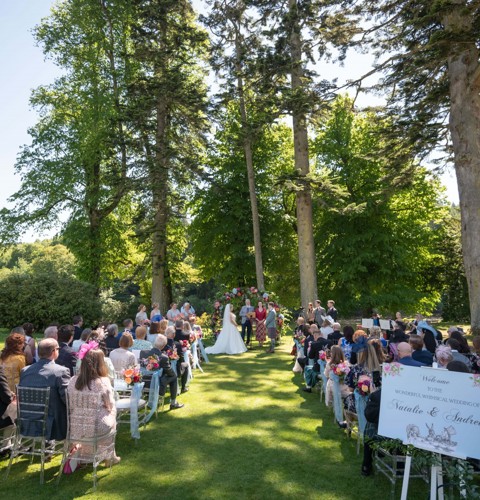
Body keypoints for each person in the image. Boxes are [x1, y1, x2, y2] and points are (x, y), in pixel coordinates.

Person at [67, 344, 120, 465]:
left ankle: (84, 453)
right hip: (96, 427)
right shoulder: (102, 381)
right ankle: (110, 456)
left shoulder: (72, 380)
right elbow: (110, 405)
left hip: (75, 426)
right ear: (101, 363)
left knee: (98, 415)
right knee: (112, 411)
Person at [19, 338, 70, 441]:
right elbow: (68, 400)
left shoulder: (25, 370)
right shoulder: (61, 371)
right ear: (54, 351)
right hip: (52, 424)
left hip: (27, 420)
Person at [140, 334, 184, 410]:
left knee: (171, 376)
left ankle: (173, 403)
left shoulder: (143, 352)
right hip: (156, 382)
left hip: (143, 381)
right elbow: (170, 373)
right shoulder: (163, 357)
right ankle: (173, 403)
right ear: (163, 346)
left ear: (154, 343)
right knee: (174, 377)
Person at [164, 326, 189, 394]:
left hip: (165, 368)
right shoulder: (177, 344)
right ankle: (183, 387)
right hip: (176, 369)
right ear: (173, 335)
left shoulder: (163, 344)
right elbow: (181, 358)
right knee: (185, 365)